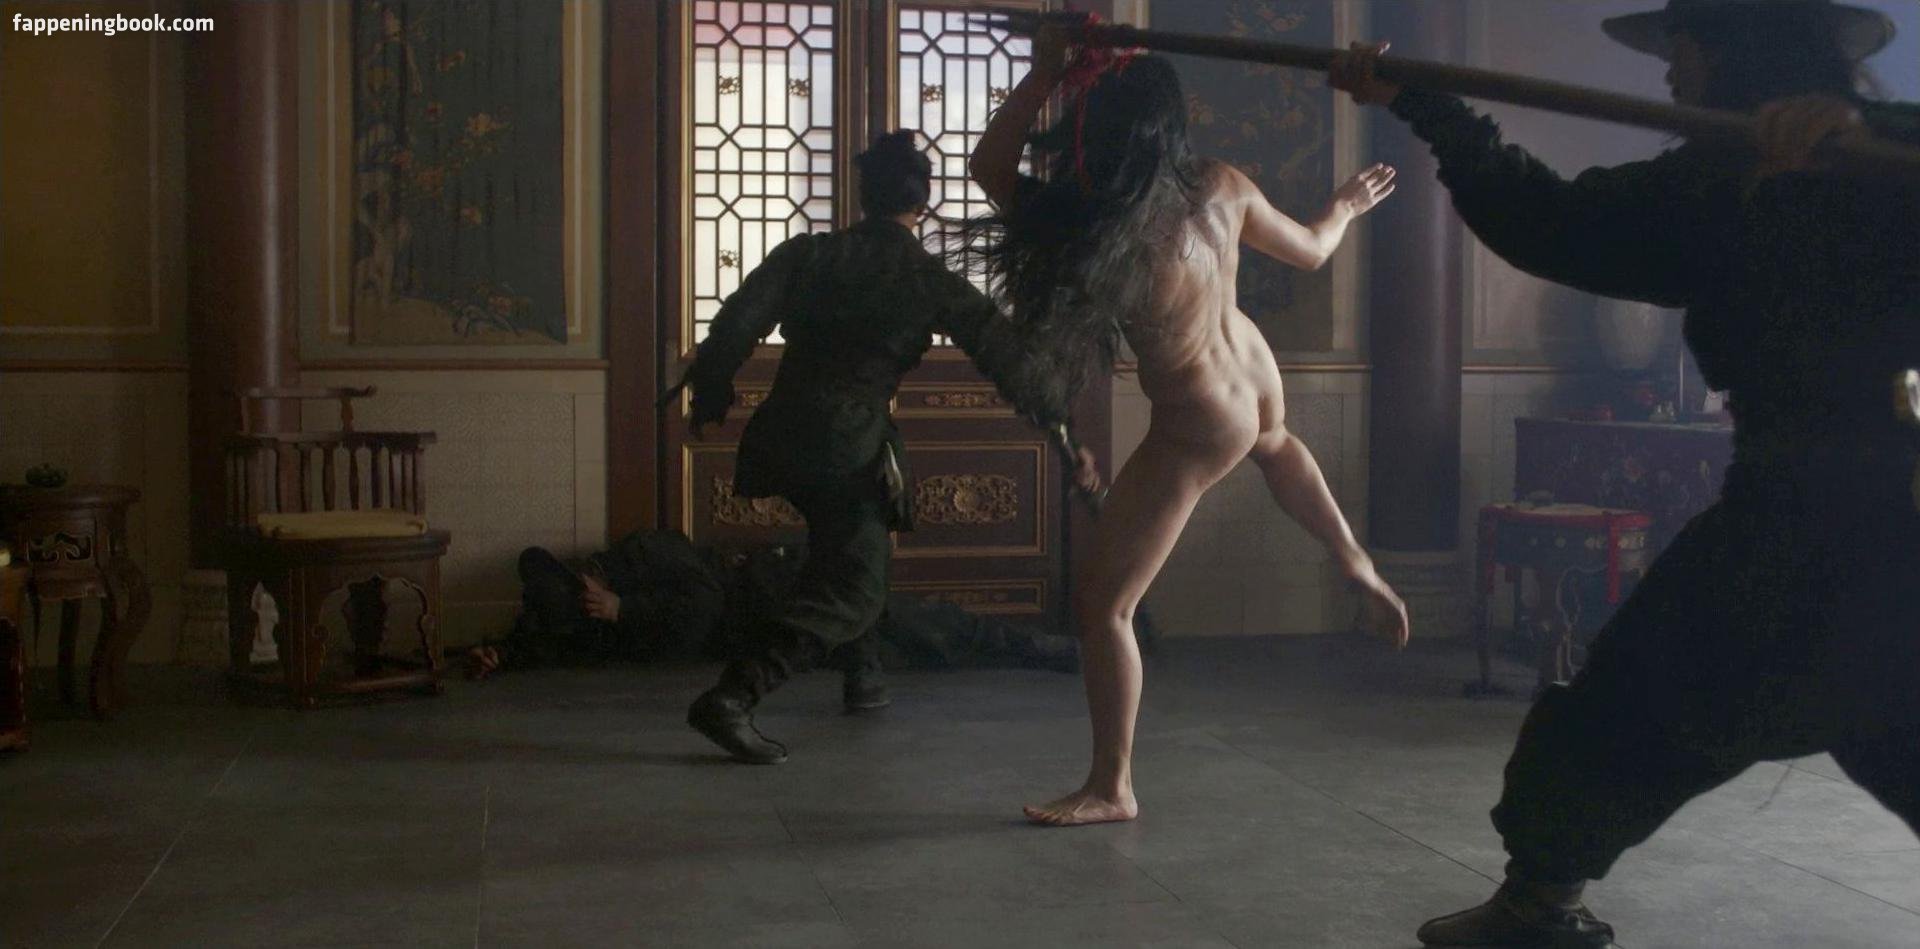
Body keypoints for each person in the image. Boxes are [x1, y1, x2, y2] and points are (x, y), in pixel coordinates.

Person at [1329, 1, 1920, 944]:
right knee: (1624, 709)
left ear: (1734, 50)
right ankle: (1538, 905)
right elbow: (1552, 220)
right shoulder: (1716, 178)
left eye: (1684, 51)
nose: (1671, 75)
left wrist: (1864, 136)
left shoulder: (1887, 153)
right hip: (1783, 512)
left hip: (1898, 520)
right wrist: (1428, 105)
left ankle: (1538, 901)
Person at [963, 24, 1411, 828]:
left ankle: (1112, 785)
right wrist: (1344, 205)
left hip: (1198, 416)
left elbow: (988, 168)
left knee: (1105, 605)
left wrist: (1044, 74)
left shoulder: (1097, 225)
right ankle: (1352, 554)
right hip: (1255, 374)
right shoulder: (1220, 184)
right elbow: (1313, 249)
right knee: (1275, 444)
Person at [674, 131, 1094, 765]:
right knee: (858, 585)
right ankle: (733, 697)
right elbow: (1012, 363)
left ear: (862, 196)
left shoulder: (809, 254)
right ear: (921, 205)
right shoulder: (927, 279)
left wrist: (711, 393)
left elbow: (734, 325)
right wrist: (1065, 437)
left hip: (782, 434)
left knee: (845, 549)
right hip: (845, 446)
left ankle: (863, 674)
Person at [467, 536, 1080, 679]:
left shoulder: (644, 554)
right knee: (911, 651)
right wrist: (505, 655)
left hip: (784, 594)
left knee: (921, 624)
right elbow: (551, 635)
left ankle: (1046, 649)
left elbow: (703, 605)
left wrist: (625, 609)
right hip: (774, 637)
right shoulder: (580, 615)